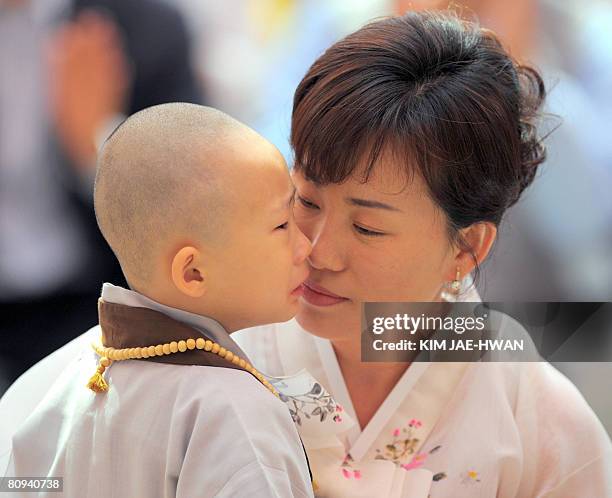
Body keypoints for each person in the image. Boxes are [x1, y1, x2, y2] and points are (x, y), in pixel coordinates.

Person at [231, 11, 612, 497]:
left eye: (368, 227)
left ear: (467, 246)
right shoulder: (222, 347)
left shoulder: (538, 418)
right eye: (305, 199)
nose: (317, 251)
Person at [3, 103, 314, 498]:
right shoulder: (232, 412)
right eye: (282, 225)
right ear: (193, 273)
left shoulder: (52, 387)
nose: (305, 247)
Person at [0, 0, 202, 389]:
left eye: (362, 226)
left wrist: (97, 140)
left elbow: (196, 199)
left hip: (86, 304)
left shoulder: (142, 27)